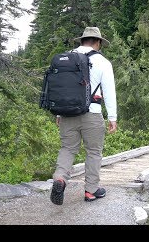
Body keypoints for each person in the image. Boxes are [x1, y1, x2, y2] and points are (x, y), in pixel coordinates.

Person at [50, 26, 117, 205]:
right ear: (98, 42)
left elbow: (60, 88)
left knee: (68, 148)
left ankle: (60, 179)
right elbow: (109, 91)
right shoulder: (103, 62)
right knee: (93, 152)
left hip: (66, 113)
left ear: (81, 41)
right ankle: (91, 191)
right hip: (92, 114)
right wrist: (112, 117)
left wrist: (58, 112)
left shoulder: (66, 59)